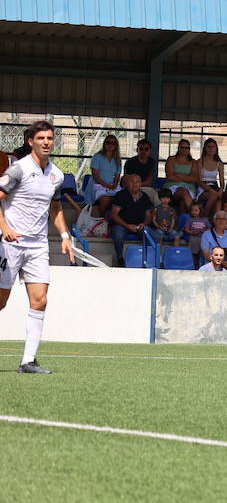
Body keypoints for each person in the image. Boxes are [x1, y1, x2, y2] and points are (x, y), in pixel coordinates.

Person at [0, 121, 75, 374]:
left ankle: (28, 361)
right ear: (30, 141)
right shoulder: (18, 170)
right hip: (10, 245)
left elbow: (55, 207)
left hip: (38, 245)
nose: (46, 142)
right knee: (0, 302)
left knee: (40, 300)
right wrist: (4, 228)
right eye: (41, 137)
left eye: (50, 138)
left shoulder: (57, 175)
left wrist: (65, 235)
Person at [107, 173, 155, 266]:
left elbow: (149, 215)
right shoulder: (120, 195)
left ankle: (148, 259)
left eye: (137, 182)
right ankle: (120, 259)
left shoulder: (145, 197)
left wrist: (144, 224)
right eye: (132, 182)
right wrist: (127, 226)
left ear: (141, 184)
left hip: (139, 226)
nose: (135, 184)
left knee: (149, 233)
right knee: (118, 234)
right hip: (122, 225)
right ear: (127, 183)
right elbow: (114, 215)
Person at [88, 134, 122, 217]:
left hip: (111, 187)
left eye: (113, 143)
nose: (110, 145)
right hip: (98, 186)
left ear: (116, 145)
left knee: (121, 198)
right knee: (105, 199)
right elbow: (95, 175)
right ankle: (103, 219)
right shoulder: (97, 156)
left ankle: (115, 219)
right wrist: (107, 186)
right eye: (108, 142)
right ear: (104, 144)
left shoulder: (117, 159)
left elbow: (117, 176)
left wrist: (114, 184)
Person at [164, 139, 199, 213]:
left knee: (183, 203)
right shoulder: (171, 159)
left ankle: (183, 222)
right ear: (178, 148)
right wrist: (187, 177)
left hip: (189, 188)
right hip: (172, 187)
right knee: (183, 192)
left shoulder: (193, 162)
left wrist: (177, 174)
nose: (184, 149)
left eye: (186, 148)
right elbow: (170, 177)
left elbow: (194, 179)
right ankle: (195, 216)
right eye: (182, 147)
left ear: (189, 149)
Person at [197, 139, 225, 212]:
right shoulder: (200, 162)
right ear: (205, 148)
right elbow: (199, 181)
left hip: (214, 186)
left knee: (219, 200)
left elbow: (222, 182)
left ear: (216, 149)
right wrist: (214, 192)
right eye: (208, 147)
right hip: (202, 187)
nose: (211, 149)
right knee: (214, 196)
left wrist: (221, 190)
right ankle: (203, 218)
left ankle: (216, 220)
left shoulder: (219, 163)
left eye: (213, 147)